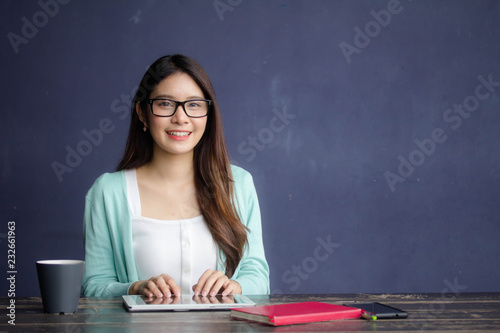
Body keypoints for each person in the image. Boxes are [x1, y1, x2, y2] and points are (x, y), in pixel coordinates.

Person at [81, 54, 270, 298]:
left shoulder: (238, 185)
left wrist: (236, 287)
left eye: (194, 105)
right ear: (142, 113)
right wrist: (135, 288)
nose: (180, 118)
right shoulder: (108, 192)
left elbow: (258, 277)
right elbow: (95, 286)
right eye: (165, 104)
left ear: (208, 114)